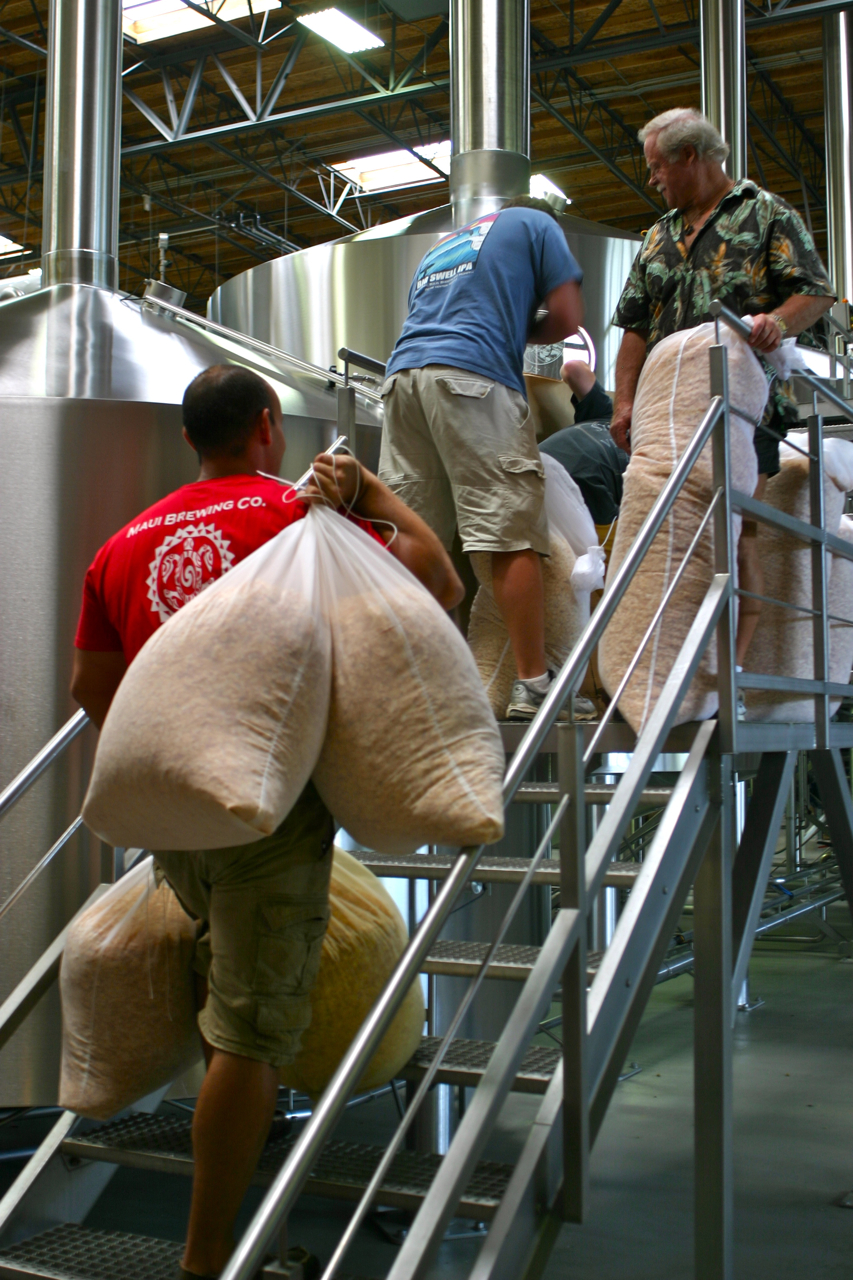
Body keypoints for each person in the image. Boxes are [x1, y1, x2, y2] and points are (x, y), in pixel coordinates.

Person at [71, 364, 462, 1280]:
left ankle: (244, 1228)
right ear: (266, 427)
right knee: (250, 1038)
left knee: (230, 1015)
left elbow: (94, 688)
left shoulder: (121, 544)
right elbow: (437, 585)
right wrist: (368, 489)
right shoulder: (300, 519)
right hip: (267, 814)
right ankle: (207, 1263)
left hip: (176, 821)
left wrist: (177, 741)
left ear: (188, 440)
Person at [610, 107, 835, 667]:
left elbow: (816, 291)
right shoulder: (658, 236)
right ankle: (660, 659)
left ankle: (724, 669)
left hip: (742, 406)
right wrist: (623, 402)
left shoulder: (764, 214)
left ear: (691, 156)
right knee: (663, 532)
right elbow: (635, 325)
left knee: (734, 533)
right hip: (665, 412)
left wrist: (779, 322)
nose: (652, 178)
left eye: (658, 166)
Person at [378, 195, 585, 720]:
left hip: (402, 381)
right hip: (472, 379)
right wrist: (522, 331)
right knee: (509, 531)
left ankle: (404, 685)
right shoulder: (538, 222)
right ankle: (534, 685)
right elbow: (566, 317)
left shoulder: (442, 249)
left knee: (412, 536)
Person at [540, 359, 627, 529]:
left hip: (582, 497)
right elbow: (573, 369)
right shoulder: (609, 415)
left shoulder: (666, 459)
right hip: (533, 470)